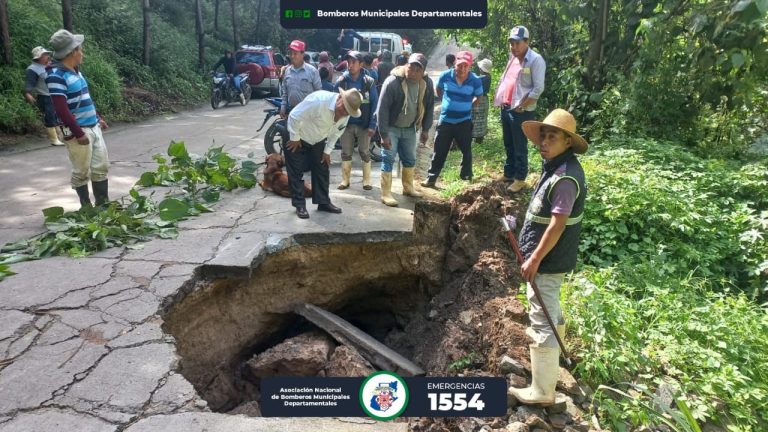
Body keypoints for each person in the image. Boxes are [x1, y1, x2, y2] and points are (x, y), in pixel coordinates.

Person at [507, 108, 588, 405]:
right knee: (549, 309)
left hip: (550, 260)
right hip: (548, 257)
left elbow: (557, 224)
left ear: (568, 141)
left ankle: (542, 390)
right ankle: (555, 359)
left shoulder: (566, 177)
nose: (544, 141)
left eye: (552, 136)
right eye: (543, 136)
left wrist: (535, 259)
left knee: (542, 316)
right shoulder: (554, 167)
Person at [45, 29, 110, 207]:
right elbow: (61, 108)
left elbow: (85, 97)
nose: (82, 53)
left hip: (93, 126)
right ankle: (86, 206)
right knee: (81, 171)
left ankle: (103, 204)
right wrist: (78, 133)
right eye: (80, 49)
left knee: (101, 167)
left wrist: (98, 117)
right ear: (72, 52)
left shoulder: (76, 71)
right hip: (79, 131)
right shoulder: (55, 75)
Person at [285, 88, 363, 219]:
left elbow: (337, 132)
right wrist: (294, 137)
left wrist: (327, 151)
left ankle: (323, 202)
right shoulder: (319, 100)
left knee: (322, 167)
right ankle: (300, 205)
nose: (344, 113)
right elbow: (294, 115)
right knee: (296, 171)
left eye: (347, 112)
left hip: (318, 139)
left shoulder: (346, 114)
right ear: (339, 98)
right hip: (298, 136)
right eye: (343, 108)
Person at [376, 53, 435, 206]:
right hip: (391, 128)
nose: (413, 71)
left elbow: (429, 107)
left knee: (410, 159)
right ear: (405, 66)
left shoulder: (426, 83)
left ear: (423, 72)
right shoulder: (393, 82)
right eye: (411, 67)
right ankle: (386, 193)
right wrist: (383, 134)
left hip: (410, 128)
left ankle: (408, 188)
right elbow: (382, 109)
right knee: (388, 158)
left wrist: (425, 130)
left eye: (417, 69)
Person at [494, 25, 546, 192]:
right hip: (506, 106)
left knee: (519, 145)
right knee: (508, 142)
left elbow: (538, 89)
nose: (513, 47)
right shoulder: (513, 57)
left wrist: (522, 106)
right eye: (511, 43)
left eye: (517, 43)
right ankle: (509, 173)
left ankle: (520, 178)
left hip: (521, 111)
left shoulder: (536, 60)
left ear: (526, 42)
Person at [422, 51, 483, 188]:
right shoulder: (445, 76)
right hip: (446, 121)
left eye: (465, 66)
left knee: (466, 150)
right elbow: (438, 90)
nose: (462, 69)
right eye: (460, 65)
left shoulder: (475, 80)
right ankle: (431, 179)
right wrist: (447, 102)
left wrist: (469, 106)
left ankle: (466, 177)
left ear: (470, 66)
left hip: (464, 121)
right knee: (439, 151)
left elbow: (479, 96)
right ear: (455, 63)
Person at [334, 51, 378, 191]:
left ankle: (366, 181)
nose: (350, 65)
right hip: (346, 124)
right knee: (346, 152)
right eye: (348, 62)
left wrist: (372, 124)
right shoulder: (342, 81)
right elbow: (334, 101)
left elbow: (375, 104)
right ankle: (345, 180)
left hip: (364, 125)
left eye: (354, 62)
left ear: (361, 64)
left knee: (364, 152)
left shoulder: (368, 82)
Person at [24, 46, 63, 146]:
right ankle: (54, 140)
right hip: (44, 96)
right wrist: (28, 93)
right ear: (38, 57)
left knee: (58, 116)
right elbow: (29, 83)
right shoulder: (32, 69)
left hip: (56, 94)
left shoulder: (50, 65)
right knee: (49, 117)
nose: (47, 56)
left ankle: (62, 136)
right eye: (45, 55)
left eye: (47, 54)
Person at [280, 40, 322, 119]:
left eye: (295, 53)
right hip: (292, 112)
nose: (292, 56)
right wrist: (283, 107)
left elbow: (319, 94)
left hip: (308, 114)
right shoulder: (287, 71)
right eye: (290, 53)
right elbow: (285, 93)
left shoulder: (312, 71)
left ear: (302, 54)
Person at [472, 59, 493, 144]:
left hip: (478, 99)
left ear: (481, 69)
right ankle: (479, 139)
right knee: (482, 120)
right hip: (484, 100)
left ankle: (475, 138)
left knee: (474, 118)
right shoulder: (488, 77)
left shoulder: (481, 78)